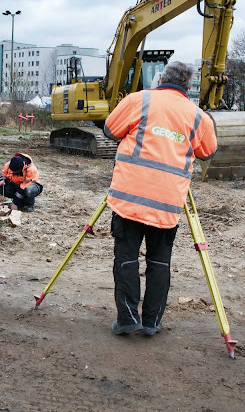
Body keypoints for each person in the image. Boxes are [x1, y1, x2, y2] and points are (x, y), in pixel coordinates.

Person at [102, 61, 218, 336]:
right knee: (159, 263)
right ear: (188, 86)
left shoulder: (139, 100)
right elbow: (208, 151)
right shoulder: (198, 116)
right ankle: (152, 322)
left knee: (126, 259)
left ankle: (129, 319)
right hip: (167, 204)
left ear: (161, 78)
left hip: (129, 199)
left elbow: (110, 130)